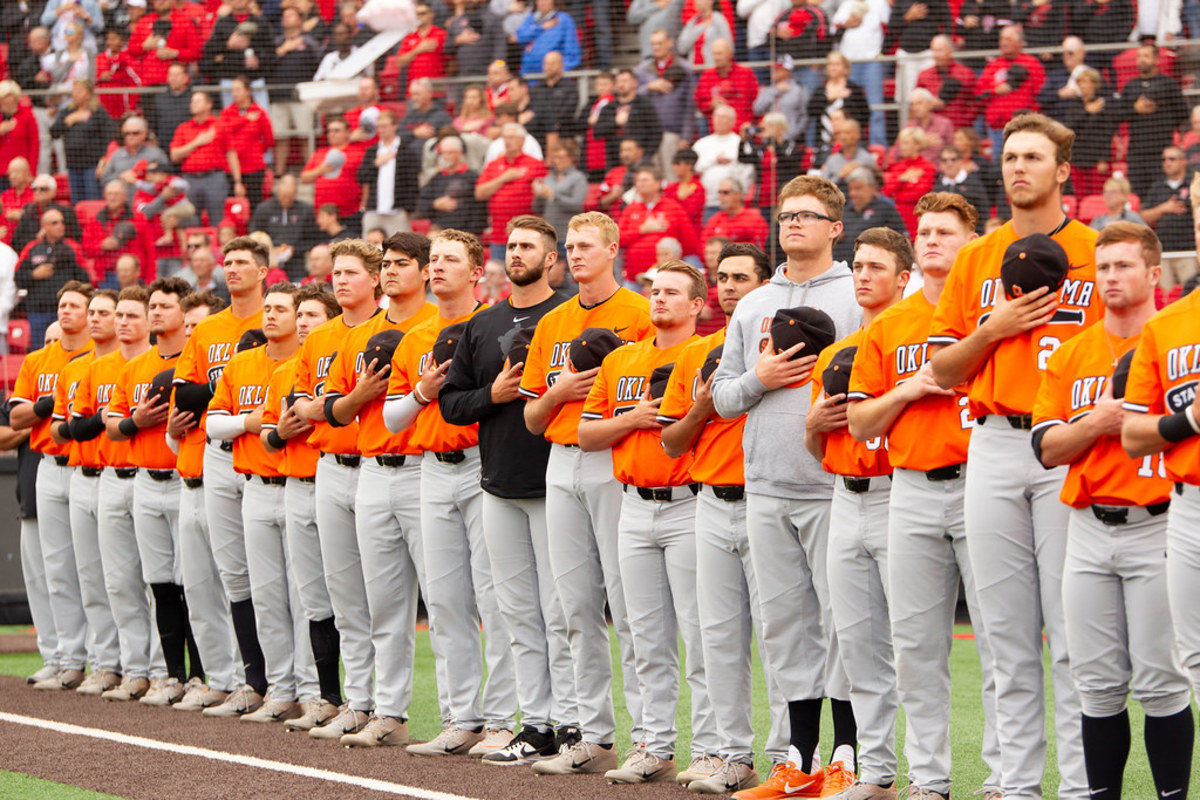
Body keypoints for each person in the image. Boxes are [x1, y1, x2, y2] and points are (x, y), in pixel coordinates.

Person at [928, 112, 1100, 800]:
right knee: (1003, 635)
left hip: (1069, 443)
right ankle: (1017, 786)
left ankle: (1083, 786)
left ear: (1063, 171)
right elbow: (942, 370)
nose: (1018, 167)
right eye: (1010, 156)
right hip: (995, 443)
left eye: (1033, 156)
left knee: (1073, 630)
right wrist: (993, 329)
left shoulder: (1097, 247)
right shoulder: (975, 258)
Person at [845, 192, 1001, 800]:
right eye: (926, 231)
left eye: (946, 231)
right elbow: (860, 425)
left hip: (980, 480)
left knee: (998, 639)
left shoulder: (993, 317)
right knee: (915, 645)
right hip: (907, 486)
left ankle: (1004, 780)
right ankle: (929, 781)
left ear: (971, 242)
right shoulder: (889, 325)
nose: (934, 239)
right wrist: (912, 388)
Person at [710, 176, 862, 798]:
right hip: (766, 482)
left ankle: (849, 754)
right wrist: (760, 377)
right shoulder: (753, 303)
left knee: (844, 624)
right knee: (784, 625)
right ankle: (798, 758)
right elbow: (721, 397)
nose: (793, 223)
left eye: (808, 215)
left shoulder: (858, 293)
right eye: (785, 215)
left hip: (832, 481)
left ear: (835, 227)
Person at [1035, 221, 1193, 800]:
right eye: (1103, 267)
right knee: (1096, 684)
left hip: (1160, 521)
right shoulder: (1075, 351)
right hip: (1087, 525)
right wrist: (1098, 423)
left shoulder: (1176, 340)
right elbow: (1046, 448)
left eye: (1124, 265)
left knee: (1162, 681)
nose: (1111, 277)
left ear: (1155, 273)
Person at [436, 216, 576, 762]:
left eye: (528, 247)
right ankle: (535, 724)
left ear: (551, 258)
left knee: (561, 612)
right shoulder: (482, 323)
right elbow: (451, 403)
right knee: (518, 613)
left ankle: (572, 725)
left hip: (555, 480)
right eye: (511, 246)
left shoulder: (565, 317)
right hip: (496, 483)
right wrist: (492, 395)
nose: (516, 254)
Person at [519, 212, 654, 775]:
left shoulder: (641, 313)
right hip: (559, 458)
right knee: (574, 606)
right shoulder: (553, 319)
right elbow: (529, 415)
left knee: (628, 607)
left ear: (613, 250)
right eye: (570, 246)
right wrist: (560, 392)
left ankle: (649, 739)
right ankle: (593, 736)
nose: (574, 254)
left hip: (612, 460)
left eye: (586, 246)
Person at [573, 259, 716, 786]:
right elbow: (586, 436)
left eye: (672, 292)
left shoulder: (709, 349)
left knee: (702, 635)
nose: (658, 299)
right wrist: (631, 419)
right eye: (655, 291)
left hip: (690, 501)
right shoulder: (622, 358)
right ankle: (654, 745)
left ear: (697, 304)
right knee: (643, 633)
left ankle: (708, 748)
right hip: (632, 501)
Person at [379, 229, 517, 756]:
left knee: (494, 596)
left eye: (450, 260)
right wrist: (422, 391)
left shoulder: (496, 324)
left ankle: (503, 720)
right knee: (444, 600)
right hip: (430, 468)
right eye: (433, 259)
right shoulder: (415, 335)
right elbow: (394, 418)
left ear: (476, 271)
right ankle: (464, 717)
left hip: (484, 463)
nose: (437, 267)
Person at [657, 242, 782, 794]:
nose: (730, 286)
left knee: (781, 637)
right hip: (707, 501)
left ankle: (785, 757)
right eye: (723, 278)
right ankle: (731, 754)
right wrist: (703, 406)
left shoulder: (785, 346)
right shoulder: (695, 354)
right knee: (717, 638)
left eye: (741, 277)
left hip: (768, 499)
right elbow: (670, 441)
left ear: (765, 285)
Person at [320, 234, 442, 747]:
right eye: (386, 264)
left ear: (425, 271)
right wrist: (358, 394)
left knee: (444, 600)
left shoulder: (440, 324)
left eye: (402, 264)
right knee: (380, 601)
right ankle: (379, 708)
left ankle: (469, 717)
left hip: (425, 466)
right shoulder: (359, 332)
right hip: (371, 465)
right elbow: (333, 409)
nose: (391, 272)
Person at [804, 227, 912, 799]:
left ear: (903, 277)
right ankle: (878, 773)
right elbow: (816, 448)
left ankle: (928, 776)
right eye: (859, 267)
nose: (864, 275)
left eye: (876, 267)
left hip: (901, 492)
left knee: (912, 643)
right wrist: (813, 428)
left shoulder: (916, 338)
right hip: (845, 496)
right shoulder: (834, 352)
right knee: (859, 645)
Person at [284, 239, 385, 739]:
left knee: (381, 595)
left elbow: (321, 406)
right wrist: (338, 404)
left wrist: (329, 405)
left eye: (351, 272)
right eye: (336, 272)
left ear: (375, 278)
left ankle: (388, 708)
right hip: (328, 464)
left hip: (375, 465)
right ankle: (358, 701)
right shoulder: (319, 337)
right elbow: (300, 408)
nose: (341, 280)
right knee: (343, 594)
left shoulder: (387, 328)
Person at [205, 280, 318, 723]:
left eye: (281, 309)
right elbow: (213, 425)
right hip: (253, 484)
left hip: (296, 483)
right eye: (267, 308)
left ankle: (311, 691)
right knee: (268, 594)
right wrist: (249, 422)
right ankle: (280, 688)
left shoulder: (303, 363)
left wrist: (247, 425)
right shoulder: (242, 363)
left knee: (304, 595)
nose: (270, 315)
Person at [172, 236, 271, 719]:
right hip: (217, 450)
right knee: (232, 571)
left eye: (241, 263)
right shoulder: (208, 329)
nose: (232, 269)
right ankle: (250, 679)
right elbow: (186, 395)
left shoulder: (275, 317)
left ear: (263, 270)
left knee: (273, 570)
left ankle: (289, 680)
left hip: (266, 454)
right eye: (227, 262)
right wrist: (225, 387)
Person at [1121, 221, 1200, 769]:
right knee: (1193, 658)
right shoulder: (1168, 324)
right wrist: (1191, 418)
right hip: (1189, 505)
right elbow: (1132, 435)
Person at [257, 282, 343, 728]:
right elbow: (269, 438)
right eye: (302, 315)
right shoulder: (283, 373)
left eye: (312, 315)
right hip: (295, 481)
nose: (305, 322)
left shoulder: (344, 358)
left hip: (338, 474)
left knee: (348, 594)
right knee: (312, 596)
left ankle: (356, 698)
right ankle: (322, 696)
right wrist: (282, 432)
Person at [9, 283, 94, 691]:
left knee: (95, 571)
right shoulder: (37, 360)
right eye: (62, 304)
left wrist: (41, 411)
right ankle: (63, 658)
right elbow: (16, 418)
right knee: (55, 571)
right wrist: (49, 407)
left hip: (89, 464)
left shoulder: (104, 357)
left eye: (75, 305)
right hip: (46, 465)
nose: (66, 311)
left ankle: (103, 659)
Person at [52, 289, 122, 699]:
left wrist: (92, 423)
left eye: (103, 312)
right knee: (91, 577)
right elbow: (65, 428)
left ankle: (144, 666)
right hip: (82, 472)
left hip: (120, 472)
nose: (95, 319)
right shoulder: (77, 367)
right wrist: (99, 420)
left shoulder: (132, 364)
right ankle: (105, 662)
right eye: (91, 312)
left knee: (125, 579)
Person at [1115, 42, 1188, 199]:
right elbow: (1117, 114)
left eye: (1146, 56)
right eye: (1139, 56)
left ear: (1156, 59)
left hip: (1161, 152)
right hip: (1137, 153)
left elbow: (1183, 113)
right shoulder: (1130, 86)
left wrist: (1164, 120)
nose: (1142, 60)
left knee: (1161, 196)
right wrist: (1135, 109)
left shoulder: (1168, 84)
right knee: (1137, 196)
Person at [16, 207, 90, 345]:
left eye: (62, 222)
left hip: (65, 312)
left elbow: (85, 278)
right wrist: (33, 275)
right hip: (38, 311)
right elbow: (18, 278)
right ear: (44, 226)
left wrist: (70, 261)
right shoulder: (32, 248)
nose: (60, 226)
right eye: (55, 223)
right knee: (40, 351)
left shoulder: (72, 248)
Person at [170, 91, 243, 229]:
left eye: (197, 101)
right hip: (189, 179)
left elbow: (231, 154)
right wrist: (197, 142)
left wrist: (237, 181)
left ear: (209, 104)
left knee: (217, 220)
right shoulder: (183, 128)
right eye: (192, 101)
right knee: (190, 219)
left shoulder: (220, 126)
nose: (193, 104)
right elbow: (174, 155)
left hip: (214, 178)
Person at [475, 123, 547, 260]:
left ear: (522, 141)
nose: (508, 141)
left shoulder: (535, 164)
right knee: (498, 274)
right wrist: (503, 178)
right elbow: (480, 193)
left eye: (512, 138)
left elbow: (544, 193)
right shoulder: (494, 164)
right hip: (499, 232)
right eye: (505, 138)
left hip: (526, 232)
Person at [617, 164, 698, 284]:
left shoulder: (673, 208)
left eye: (644, 180)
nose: (640, 184)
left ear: (658, 183)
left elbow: (689, 242)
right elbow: (617, 239)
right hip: (634, 279)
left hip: (666, 278)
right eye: (638, 181)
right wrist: (641, 230)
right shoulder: (630, 209)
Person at [977, 26, 1046, 161]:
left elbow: (1041, 94)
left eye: (1008, 39)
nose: (1003, 42)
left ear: (1019, 42)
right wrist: (994, 90)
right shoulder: (993, 65)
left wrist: (1031, 118)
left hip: (1024, 128)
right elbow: (979, 92)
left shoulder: (1032, 64)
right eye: (1002, 39)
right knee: (999, 166)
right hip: (998, 129)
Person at [357, 110, 421, 238]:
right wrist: (376, 164)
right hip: (374, 210)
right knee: (369, 250)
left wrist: (407, 209)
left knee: (401, 247)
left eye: (385, 126)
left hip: (397, 211)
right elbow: (361, 176)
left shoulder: (406, 151)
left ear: (395, 126)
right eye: (379, 127)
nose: (381, 130)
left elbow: (412, 182)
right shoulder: (372, 151)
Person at [50, 79, 113, 204]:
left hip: (92, 166)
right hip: (73, 165)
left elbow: (109, 137)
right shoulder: (67, 112)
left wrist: (103, 162)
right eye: (74, 91)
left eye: (79, 91)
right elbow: (54, 132)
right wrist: (69, 121)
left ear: (89, 93)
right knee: (77, 203)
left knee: (92, 200)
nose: (75, 94)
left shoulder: (98, 112)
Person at [301, 115, 366, 235]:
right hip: (323, 215)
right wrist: (320, 170)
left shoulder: (358, 153)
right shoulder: (320, 153)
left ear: (347, 133)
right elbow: (304, 178)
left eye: (337, 130)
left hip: (350, 213)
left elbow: (367, 181)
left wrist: (363, 206)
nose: (332, 134)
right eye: (329, 131)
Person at [220, 76, 275, 216]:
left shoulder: (260, 112)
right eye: (233, 90)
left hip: (254, 166)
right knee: (232, 203)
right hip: (231, 168)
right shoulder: (227, 112)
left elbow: (269, 139)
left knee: (255, 202)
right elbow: (223, 130)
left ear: (248, 91)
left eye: (238, 90)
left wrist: (256, 151)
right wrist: (244, 119)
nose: (234, 94)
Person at [249, 174, 321, 278]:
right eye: (283, 196)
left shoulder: (306, 210)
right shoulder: (264, 209)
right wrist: (270, 248)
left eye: (289, 197)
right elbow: (255, 234)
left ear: (295, 193)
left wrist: (295, 249)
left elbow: (313, 238)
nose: (286, 200)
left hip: (296, 265)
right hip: (269, 264)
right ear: (277, 191)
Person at [693, 106, 755, 223]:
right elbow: (692, 169)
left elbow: (747, 173)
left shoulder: (739, 143)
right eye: (716, 116)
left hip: (733, 206)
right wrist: (714, 160)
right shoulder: (701, 144)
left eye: (723, 117)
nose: (719, 120)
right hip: (707, 204)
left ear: (732, 121)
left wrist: (740, 196)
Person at [595, 69, 663, 173]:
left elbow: (656, 132)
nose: (621, 84)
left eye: (625, 81)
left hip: (641, 161)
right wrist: (615, 122)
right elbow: (597, 132)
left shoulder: (644, 105)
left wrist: (646, 155)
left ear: (635, 83)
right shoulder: (609, 108)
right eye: (618, 81)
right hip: (615, 161)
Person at [836, 168, 906, 264]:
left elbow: (902, 243)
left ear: (872, 188)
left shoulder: (886, 210)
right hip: (843, 271)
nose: (853, 193)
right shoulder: (844, 212)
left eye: (858, 188)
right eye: (851, 189)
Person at [129, 0, 204, 88]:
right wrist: (144, 46)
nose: (160, 2)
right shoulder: (144, 22)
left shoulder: (185, 22)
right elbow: (131, 50)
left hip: (175, 84)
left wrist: (175, 53)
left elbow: (197, 53)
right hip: (148, 82)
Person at [916, 35, 979, 132]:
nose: (936, 55)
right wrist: (929, 105)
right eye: (934, 51)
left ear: (950, 51)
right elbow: (916, 102)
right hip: (934, 132)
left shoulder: (966, 73)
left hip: (959, 130)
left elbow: (975, 102)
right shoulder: (924, 76)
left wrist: (965, 121)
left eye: (940, 50)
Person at [692, 39, 758, 131]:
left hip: (742, 129)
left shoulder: (746, 74)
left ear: (730, 54)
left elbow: (755, 102)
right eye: (714, 54)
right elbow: (699, 103)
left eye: (720, 54)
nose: (716, 58)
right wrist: (711, 104)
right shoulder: (707, 75)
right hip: (716, 132)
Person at [807, 52, 870, 150]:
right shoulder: (820, 90)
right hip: (824, 143)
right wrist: (828, 98)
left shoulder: (853, 89)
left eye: (836, 64)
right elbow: (811, 111)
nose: (833, 67)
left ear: (845, 68)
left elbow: (865, 115)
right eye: (830, 64)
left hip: (850, 144)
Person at [882, 128, 936, 239]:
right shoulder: (897, 167)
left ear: (917, 145)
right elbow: (886, 192)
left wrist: (898, 193)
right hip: (897, 218)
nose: (902, 147)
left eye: (906, 143)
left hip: (917, 217)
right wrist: (901, 179)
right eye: (901, 143)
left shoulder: (927, 167)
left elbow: (920, 194)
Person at [1141, 146, 1194, 254]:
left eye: (1172, 159)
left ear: (1183, 162)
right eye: (1164, 159)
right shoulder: (1157, 187)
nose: (1167, 163)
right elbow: (1143, 217)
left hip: (1190, 250)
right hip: (1164, 250)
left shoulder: (1194, 185)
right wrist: (1164, 208)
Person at [99, 116, 168, 195]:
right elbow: (104, 179)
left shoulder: (156, 154)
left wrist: (141, 178)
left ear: (144, 134)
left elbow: (167, 180)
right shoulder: (117, 154)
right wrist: (120, 176)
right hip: (123, 204)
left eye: (135, 133)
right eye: (127, 134)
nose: (130, 137)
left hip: (149, 201)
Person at [515, 0, 581, 76]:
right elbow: (520, 37)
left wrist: (559, 70)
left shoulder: (564, 20)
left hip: (555, 78)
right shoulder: (530, 19)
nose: (543, 2)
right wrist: (541, 27)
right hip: (529, 76)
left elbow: (572, 54)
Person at [700, 178, 768, 249]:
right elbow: (704, 245)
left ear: (738, 194)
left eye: (726, 192)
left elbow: (761, 245)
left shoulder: (754, 219)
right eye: (719, 193)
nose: (721, 196)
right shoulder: (714, 219)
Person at [934, 147, 989, 233]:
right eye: (945, 160)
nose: (949, 163)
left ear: (960, 161)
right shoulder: (937, 187)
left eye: (953, 159)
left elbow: (984, 211)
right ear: (940, 164)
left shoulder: (974, 183)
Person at [813, 118, 876, 193]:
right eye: (840, 133)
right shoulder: (832, 159)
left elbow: (875, 185)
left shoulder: (866, 158)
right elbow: (823, 187)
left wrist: (859, 169)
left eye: (847, 133)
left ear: (857, 135)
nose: (843, 137)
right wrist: (840, 176)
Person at [0, 80, 41, 193]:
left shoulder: (27, 115)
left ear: (15, 97)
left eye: (8, 97)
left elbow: (34, 145)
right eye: (2, 98)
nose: (5, 101)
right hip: (1, 171)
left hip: (21, 172)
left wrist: (31, 171)